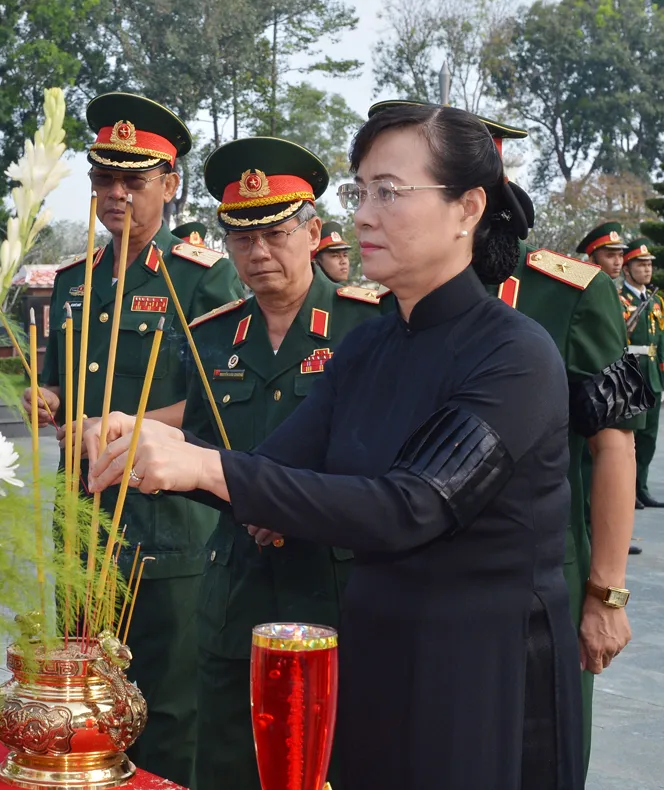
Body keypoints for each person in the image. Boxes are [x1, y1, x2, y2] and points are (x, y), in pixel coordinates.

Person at [86, 104, 588, 790]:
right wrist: (157, 452)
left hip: (479, 674)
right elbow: (270, 474)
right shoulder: (369, 347)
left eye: (390, 192)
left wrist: (208, 465)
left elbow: (409, 507)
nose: (365, 216)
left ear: (468, 206)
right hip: (374, 658)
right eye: (361, 193)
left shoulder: (513, 354)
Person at [370, 100, 650, 774]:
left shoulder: (564, 294)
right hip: (417, 580)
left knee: (534, 755)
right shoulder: (397, 296)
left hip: (538, 581)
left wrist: (605, 593)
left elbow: (613, 443)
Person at [23, 92, 243, 785]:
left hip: (168, 528)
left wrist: (138, 427)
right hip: (84, 528)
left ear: (169, 185)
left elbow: (221, 403)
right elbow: (62, 394)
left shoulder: (202, 279)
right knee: (84, 701)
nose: (116, 194)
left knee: (167, 711)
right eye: (104, 179)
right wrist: (46, 399)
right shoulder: (70, 283)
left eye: (134, 180)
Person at [182, 137, 379, 790]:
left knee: (333, 766)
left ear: (313, 231)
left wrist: (291, 504)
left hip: (334, 593)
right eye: (242, 239)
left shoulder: (370, 329)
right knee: (227, 765)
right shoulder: (211, 338)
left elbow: (387, 464)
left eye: (274, 233)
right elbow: (200, 453)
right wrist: (241, 497)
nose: (258, 253)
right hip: (237, 594)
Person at [620, 238, 664, 508]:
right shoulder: (619, 299)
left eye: (649, 264)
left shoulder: (656, 301)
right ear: (628, 269)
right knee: (630, 437)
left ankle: (641, 487)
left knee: (648, 436)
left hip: (653, 374)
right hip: (631, 371)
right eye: (640, 264)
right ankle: (628, 491)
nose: (647, 269)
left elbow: (661, 340)